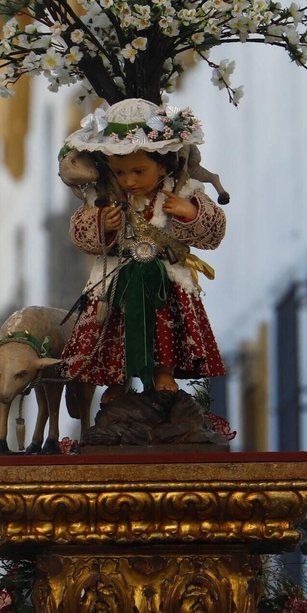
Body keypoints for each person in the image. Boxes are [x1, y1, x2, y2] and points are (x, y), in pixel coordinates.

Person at [58, 98, 226, 394]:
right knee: (116, 329)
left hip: (165, 273)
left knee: (164, 324)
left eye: (139, 172)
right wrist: (101, 224)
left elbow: (213, 231)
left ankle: (164, 373)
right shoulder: (103, 197)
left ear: (162, 167)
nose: (129, 181)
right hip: (118, 273)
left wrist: (190, 213)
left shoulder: (184, 191)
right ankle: (119, 381)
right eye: (121, 173)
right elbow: (79, 232)